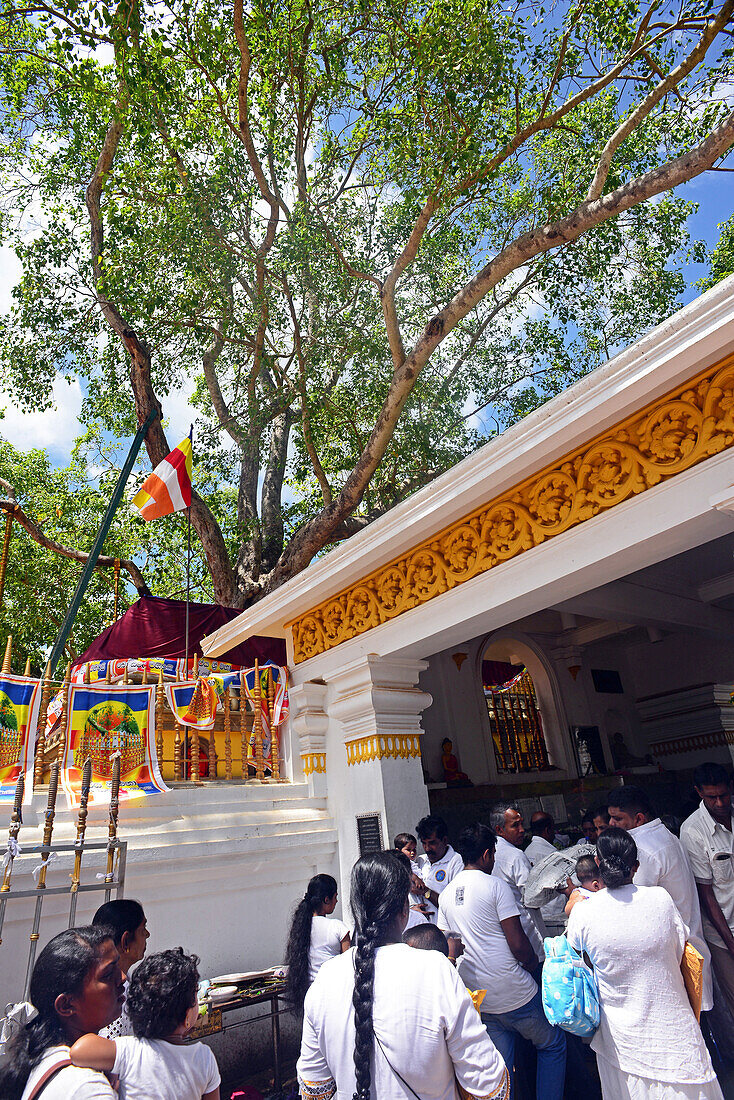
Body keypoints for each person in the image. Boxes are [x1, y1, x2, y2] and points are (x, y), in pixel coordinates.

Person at [297, 850, 510, 1100]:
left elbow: (314, 1089)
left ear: (356, 909)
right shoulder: (435, 969)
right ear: (404, 910)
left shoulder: (325, 979)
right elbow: (488, 1084)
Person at [567, 828, 722, 1100]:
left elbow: (581, 962)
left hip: (623, 1043)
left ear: (599, 863)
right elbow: (677, 952)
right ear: (636, 867)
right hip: (677, 1036)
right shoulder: (661, 899)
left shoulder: (583, 910)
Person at [439, 822, 566, 1100]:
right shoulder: (495, 886)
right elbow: (519, 944)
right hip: (514, 989)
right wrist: (534, 967)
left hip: (480, 996)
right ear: (486, 854)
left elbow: (448, 943)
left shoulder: (447, 894)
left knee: (502, 1067)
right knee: (553, 1044)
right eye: (493, 854)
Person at [608, 784, 712, 1011]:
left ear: (638, 818)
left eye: (617, 819)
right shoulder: (664, 835)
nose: (611, 825)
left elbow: (633, 905)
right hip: (687, 944)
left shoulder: (642, 850)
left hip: (676, 955)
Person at [70, 948, 220, 1100]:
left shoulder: (129, 1051)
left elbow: (78, 1050)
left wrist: (110, 1067)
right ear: (187, 1015)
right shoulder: (204, 1058)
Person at [0, 925, 124, 1100]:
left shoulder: (45, 1059)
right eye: (108, 974)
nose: (123, 978)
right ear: (66, 1005)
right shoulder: (86, 1088)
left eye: (118, 966)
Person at [680, 762, 734, 1017]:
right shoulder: (692, 831)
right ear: (699, 793)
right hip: (723, 934)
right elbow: (706, 896)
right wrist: (730, 943)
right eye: (712, 797)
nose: (720, 803)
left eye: (724, 795)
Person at [285, 873, 351, 1010]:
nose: (337, 901)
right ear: (327, 899)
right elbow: (349, 966)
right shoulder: (338, 927)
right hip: (335, 995)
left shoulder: (300, 928)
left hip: (310, 996)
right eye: (335, 897)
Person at [489, 802, 545, 961]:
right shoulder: (515, 856)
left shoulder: (491, 852)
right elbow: (533, 897)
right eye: (515, 826)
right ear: (499, 830)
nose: (522, 830)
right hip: (527, 934)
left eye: (522, 824)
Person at [92, 899, 149, 1039]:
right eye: (142, 929)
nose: (147, 934)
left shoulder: (125, 979)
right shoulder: (114, 993)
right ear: (125, 941)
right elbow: (110, 1046)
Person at [415, 813, 464, 920]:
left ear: (445, 840)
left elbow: (456, 905)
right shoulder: (420, 860)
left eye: (432, 843)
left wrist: (425, 892)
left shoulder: (456, 862)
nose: (427, 848)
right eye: (424, 843)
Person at [524, 813, 566, 933]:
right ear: (548, 830)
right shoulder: (551, 853)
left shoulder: (527, 852)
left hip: (539, 912)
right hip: (555, 913)